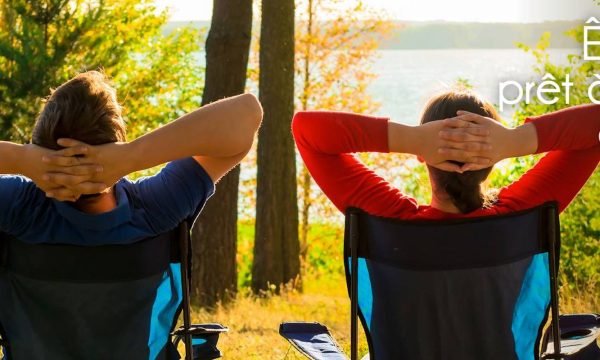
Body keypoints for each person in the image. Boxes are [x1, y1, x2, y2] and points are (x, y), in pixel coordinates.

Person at [0, 71, 262, 244]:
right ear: (115, 142)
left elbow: (247, 112)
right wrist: (132, 155)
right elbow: (248, 113)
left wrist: (21, 158)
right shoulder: (153, 209)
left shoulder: (18, 207)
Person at [292, 90, 599, 220]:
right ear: (491, 160)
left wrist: (410, 138)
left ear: (422, 155)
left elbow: (306, 130)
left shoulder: (391, 218)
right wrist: (514, 141)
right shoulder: (522, 216)